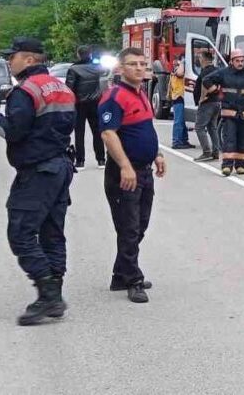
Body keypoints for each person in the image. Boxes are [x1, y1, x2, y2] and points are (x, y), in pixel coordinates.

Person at [0, 37, 76, 326]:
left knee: (20, 233)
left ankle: (47, 294)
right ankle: (54, 292)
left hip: (37, 171)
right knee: (52, 232)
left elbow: (13, 132)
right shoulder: (61, 87)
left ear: (29, 60)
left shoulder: (25, 91)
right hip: (61, 166)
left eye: (13, 57)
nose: (10, 62)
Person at [97, 47, 166, 304]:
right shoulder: (114, 97)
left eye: (142, 64)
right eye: (133, 64)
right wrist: (125, 165)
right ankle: (133, 280)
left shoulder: (142, 95)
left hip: (144, 170)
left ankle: (120, 274)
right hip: (125, 173)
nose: (139, 68)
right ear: (120, 69)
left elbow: (145, 129)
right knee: (129, 227)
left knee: (140, 226)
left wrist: (157, 154)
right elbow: (108, 134)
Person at [201, 49, 244, 176]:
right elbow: (206, 80)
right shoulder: (223, 73)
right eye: (237, 61)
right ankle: (227, 165)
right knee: (230, 139)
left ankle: (240, 165)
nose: (240, 63)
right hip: (229, 112)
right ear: (231, 61)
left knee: (243, 140)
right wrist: (215, 91)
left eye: (242, 61)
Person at [66, 45, 109, 169]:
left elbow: (69, 88)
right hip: (95, 103)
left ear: (78, 55)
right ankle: (101, 160)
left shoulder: (73, 69)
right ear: (90, 54)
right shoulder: (97, 68)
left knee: (79, 133)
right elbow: (106, 80)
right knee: (97, 131)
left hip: (79, 104)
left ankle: (80, 161)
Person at [192, 50, 221, 162]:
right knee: (212, 127)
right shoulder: (216, 70)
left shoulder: (205, 72)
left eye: (200, 57)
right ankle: (215, 151)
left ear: (203, 59)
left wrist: (202, 98)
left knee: (199, 127)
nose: (199, 59)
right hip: (216, 102)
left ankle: (206, 152)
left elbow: (205, 83)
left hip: (207, 103)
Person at [169, 56, 194, 149]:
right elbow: (180, 73)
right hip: (178, 97)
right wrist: (183, 63)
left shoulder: (180, 67)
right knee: (178, 121)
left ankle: (184, 140)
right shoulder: (177, 68)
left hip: (182, 97)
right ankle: (176, 141)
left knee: (182, 121)